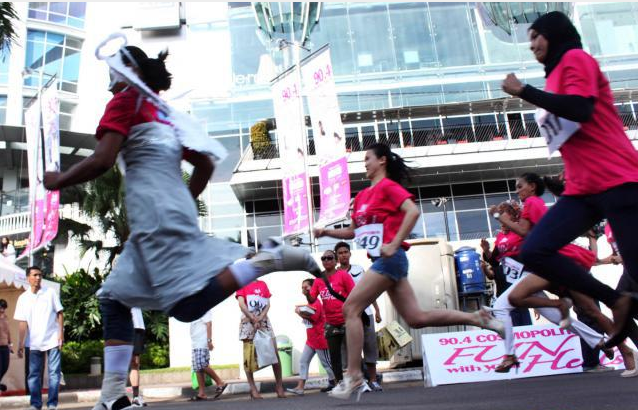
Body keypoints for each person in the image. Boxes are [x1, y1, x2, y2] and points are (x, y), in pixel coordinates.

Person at [42, 44, 320, 410]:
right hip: (164, 214)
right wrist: (184, 203)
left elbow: (103, 158)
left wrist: (58, 180)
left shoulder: (125, 102)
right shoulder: (164, 113)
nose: (108, 79)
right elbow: (204, 166)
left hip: (153, 216)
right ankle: (112, 396)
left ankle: (266, 260)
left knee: (186, 307)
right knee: (113, 298)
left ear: (125, 73)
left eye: (112, 70)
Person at [314, 143, 504, 400]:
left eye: (368, 158)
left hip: (391, 259)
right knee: (416, 318)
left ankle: (354, 375)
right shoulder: (361, 198)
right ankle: (478, 318)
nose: (365, 163)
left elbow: (412, 212)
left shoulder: (388, 187)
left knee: (350, 309)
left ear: (382, 161)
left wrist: (395, 242)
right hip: (383, 261)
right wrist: (326, 232)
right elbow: (352, 232)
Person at [501, 11, 638, 348]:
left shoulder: (576, 59)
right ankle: (616, 300)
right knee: (534, 249)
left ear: (554, 33)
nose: (531, 44)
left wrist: (524, 91)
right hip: (583, 189)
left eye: (536, 36)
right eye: (529, 39)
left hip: (618, 180)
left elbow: (580, 109)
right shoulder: (556, 77)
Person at [491, 173, 635, 373]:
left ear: (532, 187)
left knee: (512, 299)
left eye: (519, 186)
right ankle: (623, 349)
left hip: (551, 263)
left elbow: (526, 234)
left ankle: (561, 308)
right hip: (554, 263)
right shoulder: (531, 208)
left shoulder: (532, 203)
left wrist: (501, 218)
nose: (517, 191)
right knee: (589, 311)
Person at [334, 241, 383, 391]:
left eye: (345, 252)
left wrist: (377, 310)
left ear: (350, 254)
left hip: (365, 314)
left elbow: (370, 290)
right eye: (340, 253)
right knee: (349, 351)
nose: (343, 255)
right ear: (336, 256)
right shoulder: (334, 275)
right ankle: (357, 382)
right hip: (347, 318)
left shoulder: (359, 270)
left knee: (370, 346)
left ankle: (373, 380)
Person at [14, 267, 64, 410]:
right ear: (28, 278)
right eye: (35, 275)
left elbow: (60, 313)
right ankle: (35, 404)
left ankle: (52, 404)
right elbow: (22, 323)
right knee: (34, 375)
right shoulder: (23, 298)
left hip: (53, 340)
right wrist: (20, 344)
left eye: (40, 275)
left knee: (54, 373)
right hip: (33, 342)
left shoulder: (50, 293)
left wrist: (61, 334)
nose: (38, 278)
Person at [307, 250, 356, 387]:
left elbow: (354, 294)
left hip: (347, 320)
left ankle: (359, 380)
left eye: (329, 258)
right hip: (331, 322)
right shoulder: (318, 279)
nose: (326, 261)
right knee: (334, 356)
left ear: (335, 261)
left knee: (353, 353)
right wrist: (307, 293)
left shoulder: (343, 276)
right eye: (324, 258)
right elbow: (312, 299)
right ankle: (340, 383)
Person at [236, 280, 285, 399]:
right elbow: (241, 304)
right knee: (249, 357)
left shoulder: (263, 284)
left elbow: (268, 304)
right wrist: (252, 318)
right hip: (248, 321)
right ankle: (253, 389)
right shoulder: (241, 284)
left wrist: (260, 318)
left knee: (274, 353)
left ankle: (279, 386)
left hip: (264, 321)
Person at [480, 215, 532, 327]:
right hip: (505, 298)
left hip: (520, 296)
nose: (502, 225)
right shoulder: (500, 241)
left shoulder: (520, 234)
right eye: (501, 222)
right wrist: (486, 251)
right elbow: (493, 262)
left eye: (505, 221)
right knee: (506, 319)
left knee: (525, 326)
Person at [286, 279, 335, 396]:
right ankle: (300, 387)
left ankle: (337, 384)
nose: (304, 289)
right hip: (311, 340)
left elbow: (313, 318)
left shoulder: (316, 303)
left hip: (320, 339)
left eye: (306, 287)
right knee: (303, 361)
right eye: (302, 287)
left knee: (326, 364)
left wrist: (299, 313)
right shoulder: (310, 304)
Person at [189, 310, 227, 401]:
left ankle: (220, 382)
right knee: (197, 368)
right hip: (195, 344)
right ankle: (201, 393)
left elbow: (209, 324)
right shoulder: (194, 312)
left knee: (202, 364)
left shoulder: (204, 310)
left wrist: (209, 341)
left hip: (202, 343)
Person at [129, 308, 146, 406]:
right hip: (126, 326)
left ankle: (135, 397)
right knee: (123, 363)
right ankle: (114, 398)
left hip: (138, 327)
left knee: (135, 363)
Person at [0, 299, 12, 392]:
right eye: (1, 307)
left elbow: (8, 332)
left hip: (5, 346)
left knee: (5, 367)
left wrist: (10, 344)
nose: (2, 309)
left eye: (4, 307)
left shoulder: (6, 317)